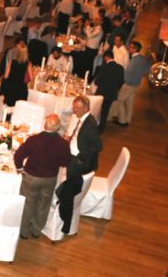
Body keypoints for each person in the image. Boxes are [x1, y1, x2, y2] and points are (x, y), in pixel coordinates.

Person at [14, 114, 71, 239]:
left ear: (45, 125)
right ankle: (36, 230)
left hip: (31, 178)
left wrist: (20, 169)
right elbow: (65, 162)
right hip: (50, 179)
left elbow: (18, 155)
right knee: (43, 205)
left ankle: (24, 231)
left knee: (28, 204)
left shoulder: (34, 139)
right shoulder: (63, 144)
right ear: (58, 127)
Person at [57, 95, 102, 234]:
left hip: (79, 161)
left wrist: (80, 158)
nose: (74, 110)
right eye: (74, 107)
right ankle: (59, 193)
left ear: (86, 108)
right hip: (72, 153)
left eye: (77, 108)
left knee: (68, 191)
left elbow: (97, 146)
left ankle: (66, 223)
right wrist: (70, 139)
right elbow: (80, 137)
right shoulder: (83, 119)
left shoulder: (91, 124)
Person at [114, 41, 150, 127]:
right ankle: (127, 119)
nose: (128, 48)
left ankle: (122, 121)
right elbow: (147, 70)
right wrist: (139, 75)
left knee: (120, 100)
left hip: (129, 84)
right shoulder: (142, 58)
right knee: (130, 102)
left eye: (130, 47)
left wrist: (123, 80)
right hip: (136, 84)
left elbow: (127, 74)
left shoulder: (134, 60)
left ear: (135, 49)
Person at [92, 50, 124, 132]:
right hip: (111, 93)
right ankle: (101, 129)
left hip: (101, 93)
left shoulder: (104, 67)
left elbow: (97, 82)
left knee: (96, 110)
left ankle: (92, 126)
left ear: (106, 57)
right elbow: (121, 82)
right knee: (105, 112)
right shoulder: (120, 68)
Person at [0, 41, 31, 106]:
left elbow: (5, 77)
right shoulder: (28, 64)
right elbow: (31, 78)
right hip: (21, 91)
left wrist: (2, 90)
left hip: (10, 89)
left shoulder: (11, 62)